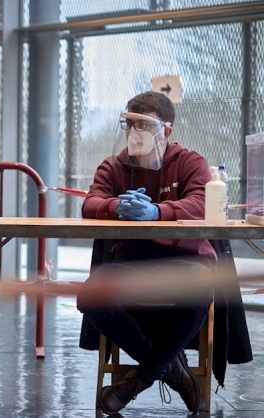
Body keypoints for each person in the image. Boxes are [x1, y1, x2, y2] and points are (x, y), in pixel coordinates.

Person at [76, 91, 214, 415]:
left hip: (184, 259)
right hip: (132, 260)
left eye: (143, 126)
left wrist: (158, 212)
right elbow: (90, 203)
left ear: (165, 131)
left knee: (203, 285)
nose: (134, 133)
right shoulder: (115, 165)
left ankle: (141, 377)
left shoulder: (190, 163)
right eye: (129, 124)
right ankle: (170, 369)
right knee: (90, 296)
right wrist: (114, 205)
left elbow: (202, 203)